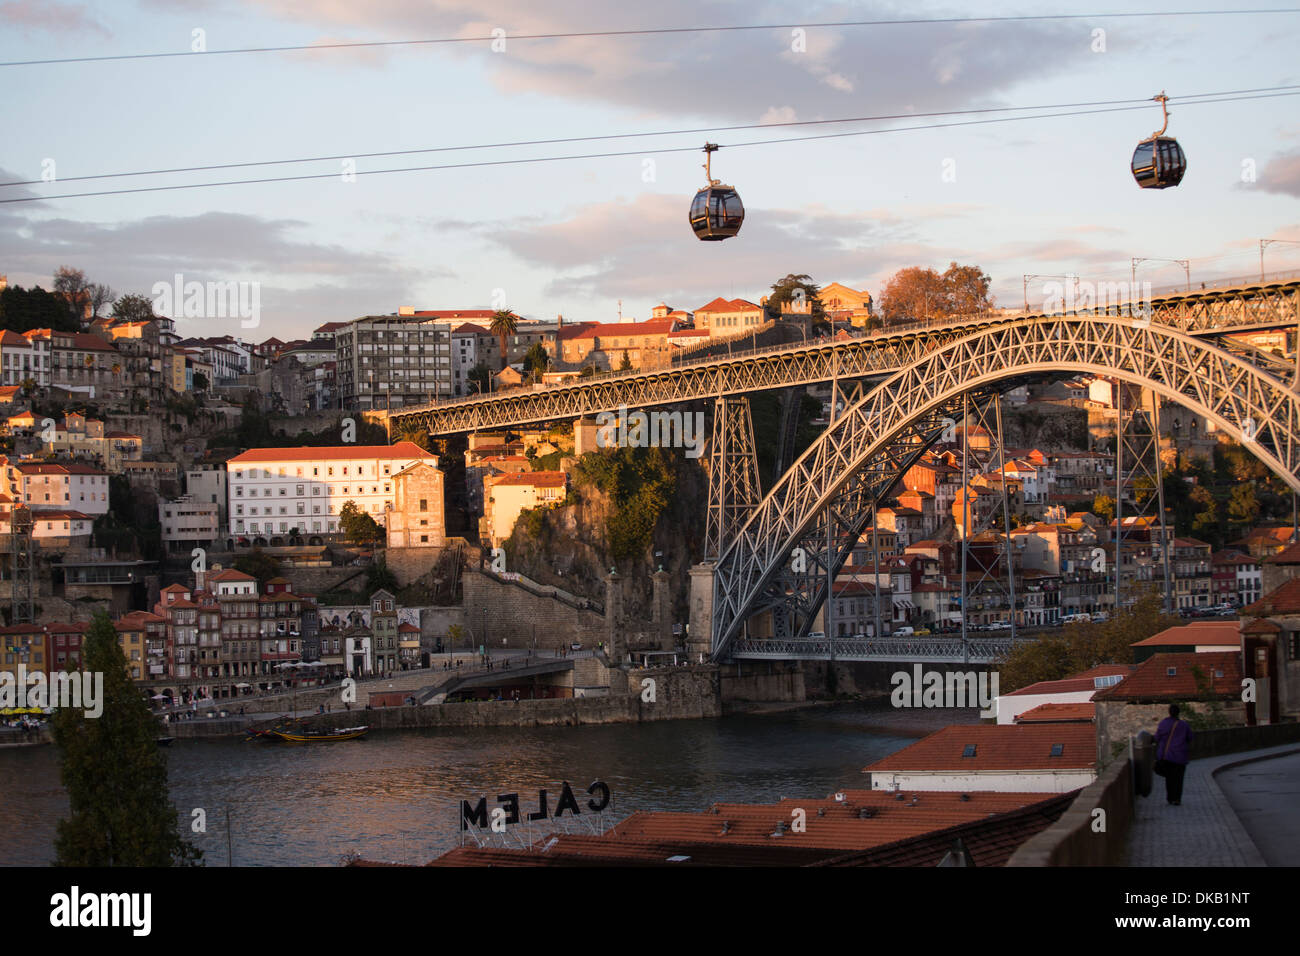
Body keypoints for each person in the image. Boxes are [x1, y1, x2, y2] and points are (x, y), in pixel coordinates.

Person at [1154, 703, 1194, 805]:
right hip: (1180, 756)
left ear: (1169, 712)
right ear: (1178, 713)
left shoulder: (1163, 723)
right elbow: (1190, 738)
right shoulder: (1184, 725)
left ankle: (1170, 798)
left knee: (1169, 778)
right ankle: (1177, 798)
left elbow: (1157, 737)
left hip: (1167, 756)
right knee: (1179, 779)